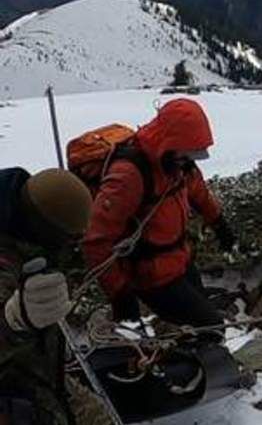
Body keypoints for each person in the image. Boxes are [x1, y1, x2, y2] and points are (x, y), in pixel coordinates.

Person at [0, 167, 128, 425]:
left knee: (95, 421)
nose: (72, 245)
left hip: (40, 375)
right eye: (68, 238)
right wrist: (13, 321)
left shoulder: (23, 229)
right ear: (45, 228)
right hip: (12, 399)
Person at [83, 98, 236, 340]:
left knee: (203, 325)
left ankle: (191, 365)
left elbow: (199, 193)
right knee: (211, 327)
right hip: (150, 277)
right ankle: (188, 372)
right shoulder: (129, 175)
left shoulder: (178, 164)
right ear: (169, 143)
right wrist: (120, 294)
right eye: (186, 153)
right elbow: (96, 241)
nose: (190, 160)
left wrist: (219, 224)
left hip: (179, 260)